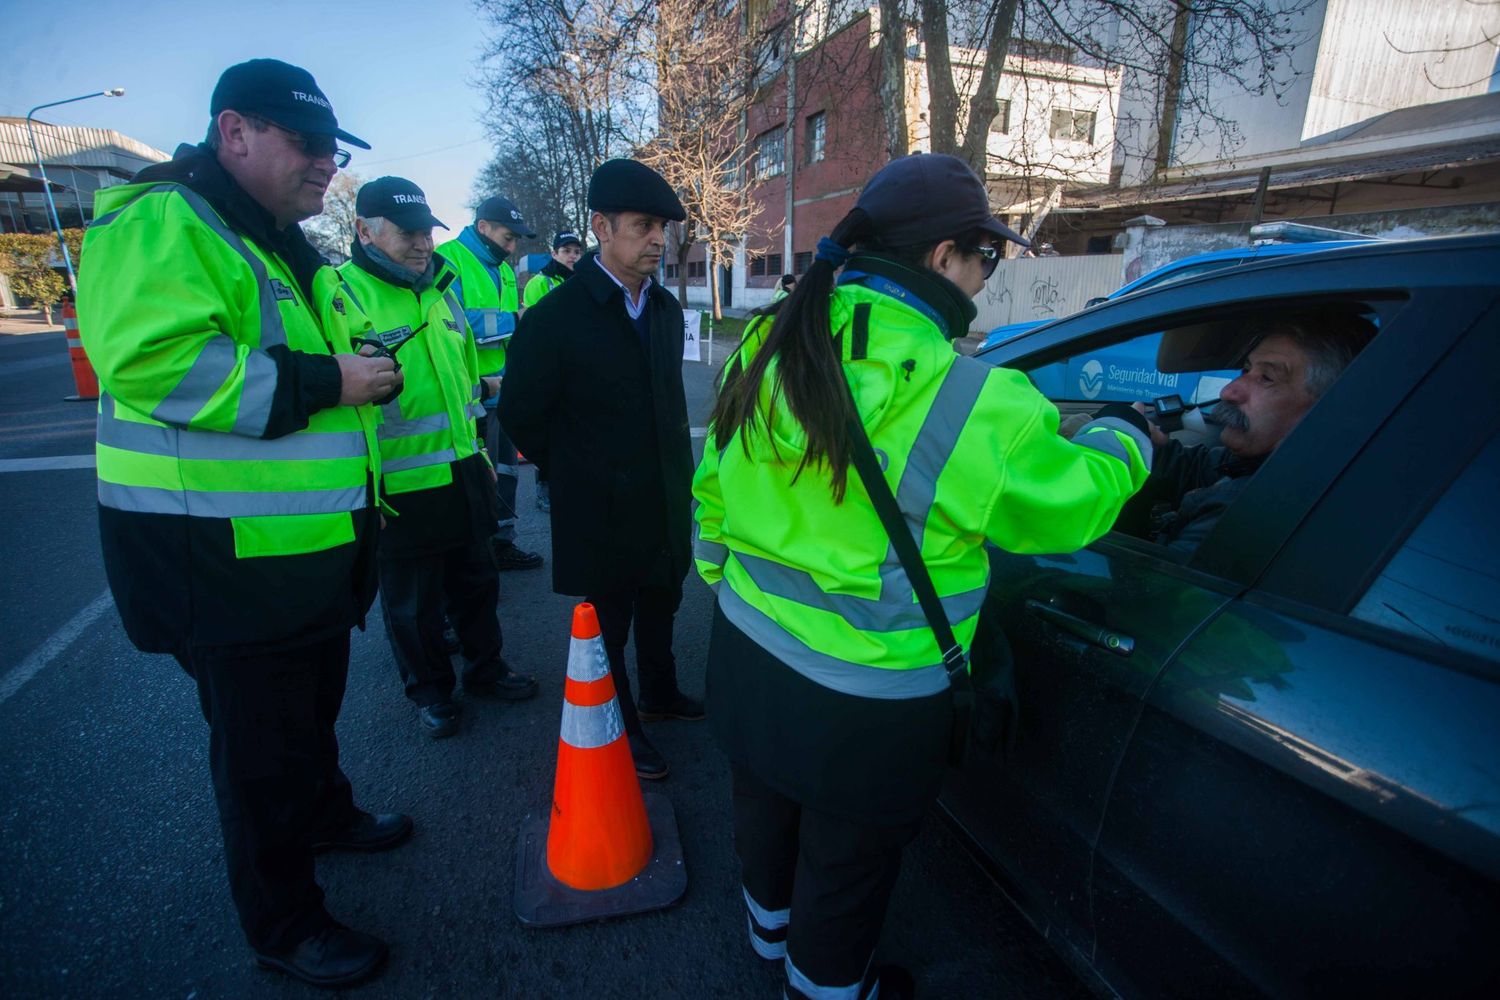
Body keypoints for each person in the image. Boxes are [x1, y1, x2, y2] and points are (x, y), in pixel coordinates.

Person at [691, 153, 1153, 999]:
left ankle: (766, 938)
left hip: (746, 647)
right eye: (989, 254)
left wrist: (719, 577)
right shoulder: (978, 401)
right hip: (868, 704)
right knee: (847, 865)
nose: (987, 273)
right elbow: (1071, 507)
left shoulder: (767, 340)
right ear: (944, 257)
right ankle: (826, 990)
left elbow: (713, 482)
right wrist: (1131, 440)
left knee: (764, 810)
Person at [77, 59, 411, 988]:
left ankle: (328, 813)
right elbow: (158, 364)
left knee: (307, 716)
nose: (327, 165)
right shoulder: (164, 219)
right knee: (260, 754)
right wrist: (330, 381)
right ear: (235, 132)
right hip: (222, 562)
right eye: (308, 144)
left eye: (334, 149)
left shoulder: (282, 239)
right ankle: (284, 923)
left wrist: (364, 368)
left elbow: (314, 360)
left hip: (300, 553)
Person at [499, 159, 704, 782]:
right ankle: (624, 727)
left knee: (662, 597)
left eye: (662, 228)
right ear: (600, 226)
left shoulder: (665, 311)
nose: (656, 240)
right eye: (643, 226)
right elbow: (521, 413)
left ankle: (659, 693)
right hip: (601, 504)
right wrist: (578, 471)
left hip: (663, 494)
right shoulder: (557, 318)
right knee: (609, 618)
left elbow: (668, 401)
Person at [338, 176, 538, 739]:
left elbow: (463, 376)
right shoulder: (341, 295)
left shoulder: (443, 289)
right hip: (399, 487)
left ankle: (485, 668)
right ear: (365, 231)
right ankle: (430, 691)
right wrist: (361, 488)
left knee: (477, 581)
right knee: (412, 604)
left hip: (462, 466)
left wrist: (491, 393)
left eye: (427, 231)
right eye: (408, 233)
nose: (423, 242)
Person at [1121, 311, 1374, 552]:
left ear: (1325, 409)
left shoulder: (1253, 510)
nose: (1229, 392)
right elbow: (1195, 468)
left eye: (1266, 378)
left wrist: (1112, 475)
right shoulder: (1265, 463)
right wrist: (1145, 444)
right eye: (1245, 369)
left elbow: (1149, 590)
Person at [437, 197, 545, 571]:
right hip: (469, 392)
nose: (513, 246)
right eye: (508, 236)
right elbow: (455, 322)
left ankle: (502, 544)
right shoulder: (449, 259)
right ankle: (475, 555)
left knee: (507, 472)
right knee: (474, 478)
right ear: (483, 227)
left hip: (502, 389)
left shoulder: (501, 268)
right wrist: (514, 320)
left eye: (516, 239)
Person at [520, 230, 584, 513]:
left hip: (578, 368)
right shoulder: (539, 282)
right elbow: (537, 325)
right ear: (555, 253)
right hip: (551, 367)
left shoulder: (582, 282)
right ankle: (543, 488)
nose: (572, 256)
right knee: (550, 433)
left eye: (576, 251)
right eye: (567, 250)